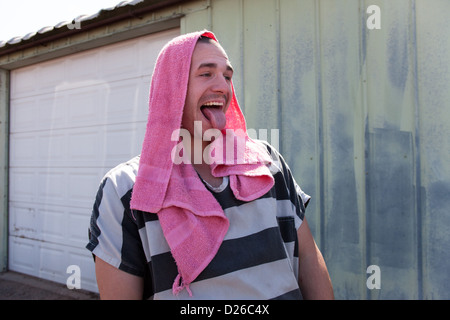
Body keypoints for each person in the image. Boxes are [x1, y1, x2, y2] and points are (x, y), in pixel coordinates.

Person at [86, 30, 334, 300]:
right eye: (206, 74)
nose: (223, 86)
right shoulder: (126, 190)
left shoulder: (267, 164)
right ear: (171, 89)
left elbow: (308, 257)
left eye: (227, 76)